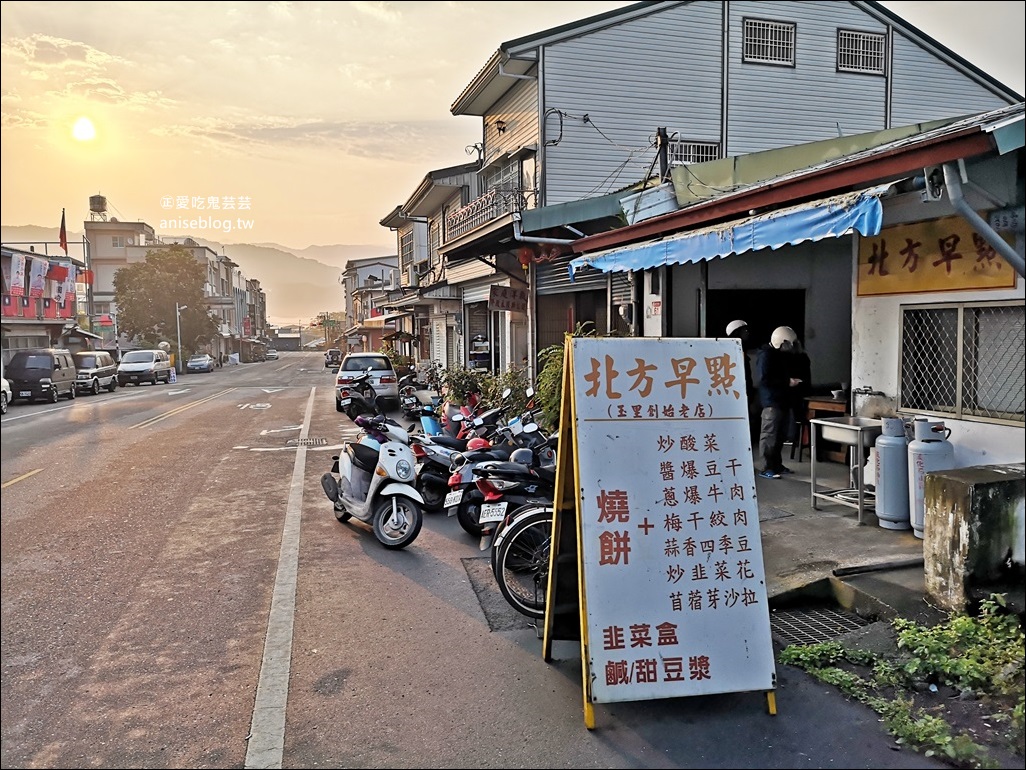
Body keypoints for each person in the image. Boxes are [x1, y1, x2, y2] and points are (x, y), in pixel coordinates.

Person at [755, 325, 805, 479]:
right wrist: (787, 382)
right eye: (788, 344)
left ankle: (776, 464)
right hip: (771, 402)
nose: (790, 347)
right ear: (780, 342)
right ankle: (766, 467)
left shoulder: (779, 355)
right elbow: (764, 379)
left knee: (780, 435)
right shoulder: (766, 355)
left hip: (782, 400)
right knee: (769, 435)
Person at [726, 319, 758, 442]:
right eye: (744, 330)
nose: (747, 333)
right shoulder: (731, 352)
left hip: (745, 392)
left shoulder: (742, 351)